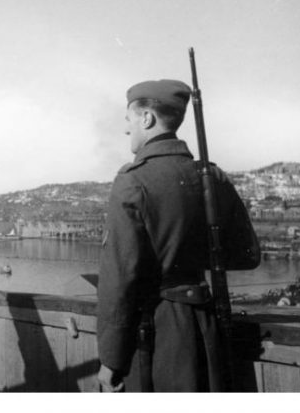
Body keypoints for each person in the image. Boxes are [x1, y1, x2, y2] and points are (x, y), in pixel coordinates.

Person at [96, 79, 259, 392]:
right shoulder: (212, 176)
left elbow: (119, 280)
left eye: (129, 119)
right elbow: (248, 255)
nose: (126, 129)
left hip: (155, 335)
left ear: (147, 118)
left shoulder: (132, 182)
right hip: (207, 329)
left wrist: (112, 361)